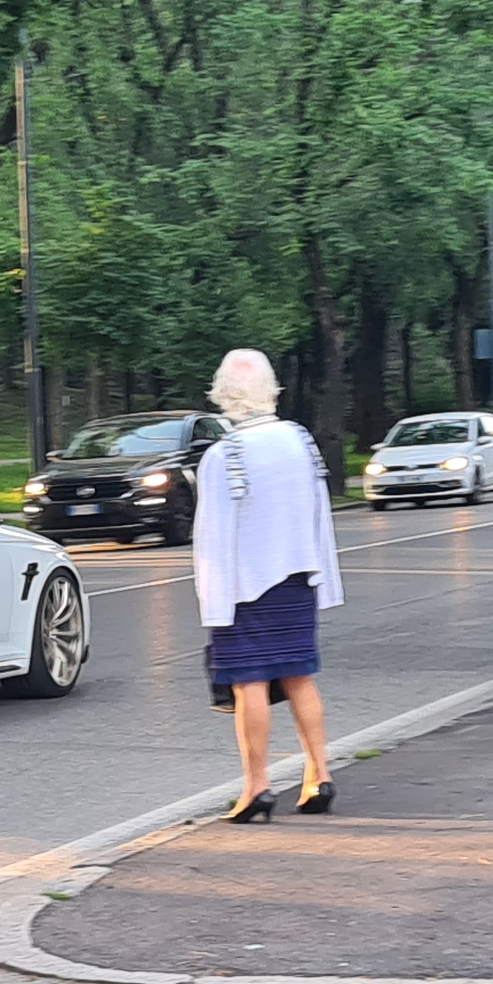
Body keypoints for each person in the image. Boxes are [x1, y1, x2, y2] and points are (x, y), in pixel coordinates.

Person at [193, 348, 342, 821]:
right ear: (270, 388)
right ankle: (320, 773)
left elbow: (212, 534)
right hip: (297, 577)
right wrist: (322, 573)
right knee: (299, 676)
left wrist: (212, 599)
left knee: (249, 683)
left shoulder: (223, 454)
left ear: (223, 393)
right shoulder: (300, 441)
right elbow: (318, 509)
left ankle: (257, 785)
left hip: (245, 587)